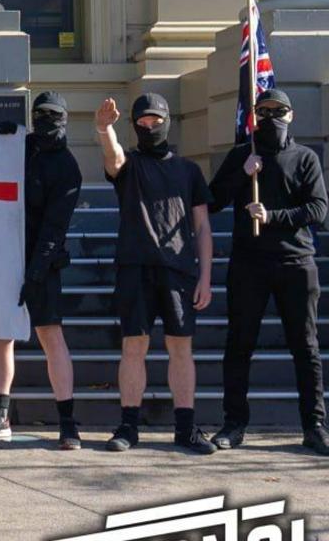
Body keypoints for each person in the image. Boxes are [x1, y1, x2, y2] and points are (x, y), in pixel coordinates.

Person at [207, 89, 329, 455]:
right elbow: (213, 201)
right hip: (249, 263)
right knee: (239, 344)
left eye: (279, 111)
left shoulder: (305, 157)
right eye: (264, 111)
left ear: (291, 115)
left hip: (296, 263)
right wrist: (241, 176)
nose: (272, 116)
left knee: (305, 347)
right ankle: (234, 423)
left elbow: (319, 210)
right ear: (254, 116)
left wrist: (272, 217)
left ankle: (314, 425)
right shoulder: (243, 156)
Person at [95, 92, 215, 454]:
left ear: (167, 121)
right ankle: (128, 427)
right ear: (134, 126)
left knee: (181, 348)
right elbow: (113, 160)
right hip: (135, 267)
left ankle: (185, 428)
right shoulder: (129, 165)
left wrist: (206, 276)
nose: (149, 127)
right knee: (134, 346)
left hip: (179, 270)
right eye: (142, 122)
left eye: (155, 121)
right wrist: (104, 129)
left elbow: (203, 227)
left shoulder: (189, 170)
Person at [0, 92, 82, 449]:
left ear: (64, 118)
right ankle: (0, 416)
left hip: (44, 263)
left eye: (53, 114)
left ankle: (68, 422)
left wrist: (34, 275)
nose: (46, 120)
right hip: (6, 256)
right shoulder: (20, 147)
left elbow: (55, 228)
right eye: (40, 114)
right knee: (1, 336)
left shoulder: (67, 166)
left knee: (51, 337)